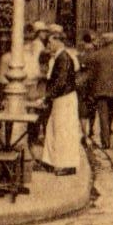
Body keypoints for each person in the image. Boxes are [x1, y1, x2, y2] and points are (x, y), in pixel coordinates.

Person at [40, 25, 81, 175]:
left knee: (64, 131)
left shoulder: (63, 58)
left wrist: (47, 96)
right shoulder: (59, 57)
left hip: (65, 98)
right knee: (53, 129)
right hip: (61, 98)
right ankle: (50, 161)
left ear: (58, 40)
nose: (48, 45)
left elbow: (61, 82)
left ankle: (67, 165)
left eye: (50, 42)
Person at [90, 31, 113, 150]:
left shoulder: (97, 54)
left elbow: (92, 74)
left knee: (103, 116)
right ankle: (106, 136)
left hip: (100, 91)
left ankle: (105, 140)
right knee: (110, 115)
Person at [76, 32, 98, 143]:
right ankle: (91, 130)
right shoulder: (96, 54)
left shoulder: (80, 55)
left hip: (82, 84)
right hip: (94, 84)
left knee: (83, 108)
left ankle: (84, 133)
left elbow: (77, 69)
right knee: (92, 107)